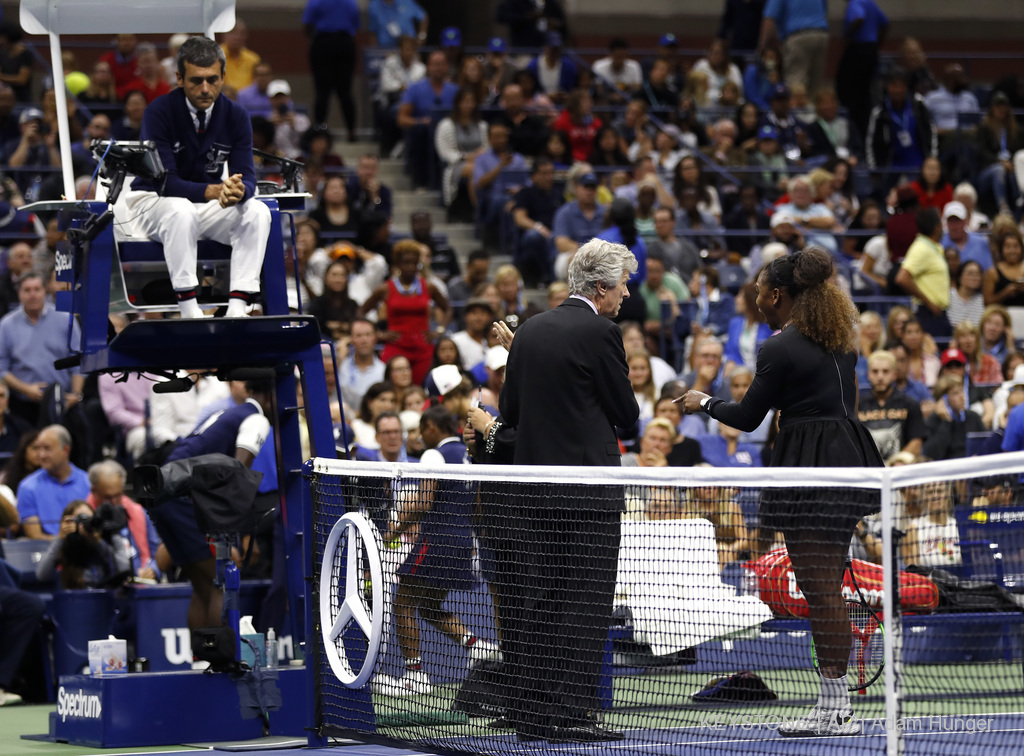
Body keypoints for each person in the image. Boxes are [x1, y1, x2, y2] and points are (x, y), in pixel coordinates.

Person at [678, 247, 884, 737]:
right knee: (824, 586)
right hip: (847, 458)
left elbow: (747, 417)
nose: (754, 297)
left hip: (809, 466)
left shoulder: (778, 347)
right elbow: (845, 408)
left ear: (776, 295)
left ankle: (835, 709)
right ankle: (832, 704)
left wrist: (703, 400)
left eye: (758, 291)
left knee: (818, 589)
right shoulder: (840, 342)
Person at [498, 238, 638, 743]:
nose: (626, 294)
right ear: (601, 288)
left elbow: (509, 414)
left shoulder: (530, 331)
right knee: (584, 604)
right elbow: (627, 415)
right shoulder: (602, 332)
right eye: (622, 285)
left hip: (533, 494)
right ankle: (575, 714)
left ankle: (534, 718)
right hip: (589, 493)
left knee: (543, 601)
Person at [112, 37, 271, 320]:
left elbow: (247, 176)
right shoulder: (158, 111)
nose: (205, 88)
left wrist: (239, 191)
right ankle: (189, 310)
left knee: (258, 211)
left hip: (202, 205)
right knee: (180, 209)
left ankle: (237, 308)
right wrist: (215, 190)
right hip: (151, 201)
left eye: (212, 79)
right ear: (179, 78)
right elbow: (166, 182)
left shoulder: (236, 115)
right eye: (196, 80)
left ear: (223, 76)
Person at [373, 405, 501, 697]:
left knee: (403, 603)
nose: (419, 436)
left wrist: (392, 529)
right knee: (428, 606)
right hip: (462, 542)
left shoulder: (434, 454)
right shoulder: (470, 456)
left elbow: (423, 502)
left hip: (435, 540)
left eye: (422, 428)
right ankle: (477, 646)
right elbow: (478, 506)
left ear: (432, 426)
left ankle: (415, 676)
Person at [157, 382, 272, 629]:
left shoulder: (229, 413)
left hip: (162, 490)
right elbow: (237, 475)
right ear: (271, 394)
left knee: (202, 587)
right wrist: (238, 533)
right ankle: (223, 660)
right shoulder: (256, 418)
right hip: (182, 493)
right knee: (218, 584)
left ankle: (202, 661)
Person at [358, 240, 451, 385]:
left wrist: (439, 330)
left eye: (414, 263)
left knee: (421, 388)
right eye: (406, 263)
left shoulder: (428, 286)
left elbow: (447, 309)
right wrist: (378, 333)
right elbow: (361, 312)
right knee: (391, 386)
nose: (410, 267)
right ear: (398, 264)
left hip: (422, 347)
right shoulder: (386, 288)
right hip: (396, 346)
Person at [0, 272, 83, 426]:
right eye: (27, 290)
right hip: (22, 403)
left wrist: (76, 394)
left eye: (37, 289)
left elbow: (79, 362)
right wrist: (26, 389)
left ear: (45, 291)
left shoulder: (65, 318)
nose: (32, 295)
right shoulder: (6, 325)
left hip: (63, 401)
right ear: (19, 293)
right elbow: (2, 368)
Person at [16, 425, 90, 539]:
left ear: (65, 450)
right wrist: (62, 540)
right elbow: (34, 536)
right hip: (45, 552)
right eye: (38, 448)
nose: (41, 455)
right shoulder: (28, 487)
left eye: (47, 449)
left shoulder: (88, 482)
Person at [302, 0, 360, 140]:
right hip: (345, 44)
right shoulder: (350, 2)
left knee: (322, 91)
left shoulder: (316, 1)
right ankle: (351, 132)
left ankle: (319, 131)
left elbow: (307, 25)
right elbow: (356, 24)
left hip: (323, 43)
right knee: (345, 92)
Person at [858, 350, 927, 458]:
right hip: (868, 469)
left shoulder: (910, 404)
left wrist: (897, 462)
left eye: (885, 371)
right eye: (875, 371)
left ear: (894, 375)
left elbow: (916, 441)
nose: (880, 377)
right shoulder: (857, 405)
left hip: (899, 469)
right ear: (868, 375)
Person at [835, 0, 888, 138]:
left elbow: (858, 18)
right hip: (870, 50)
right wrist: (876, 44)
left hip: (858, 50)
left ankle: (855, 129)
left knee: (848, 91)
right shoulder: (870, 3)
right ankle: (865, 128)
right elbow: (885, 23)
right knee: (866, 95)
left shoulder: (855, 3)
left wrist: (847, 37)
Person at [896, 208, 951, 338]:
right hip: (928, 314)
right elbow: (902, 278)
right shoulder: (921, 248)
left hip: (938, 313)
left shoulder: (932, 246)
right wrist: (929, 303)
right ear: (937, 228)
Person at [758, 0, 829, 97]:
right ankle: (812, 110)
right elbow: (824, 11)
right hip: (821, 35)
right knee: (816, 85)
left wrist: (762, 47)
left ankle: (795, 110)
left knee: (795, 83)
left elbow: (769, 19)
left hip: (798, 37)